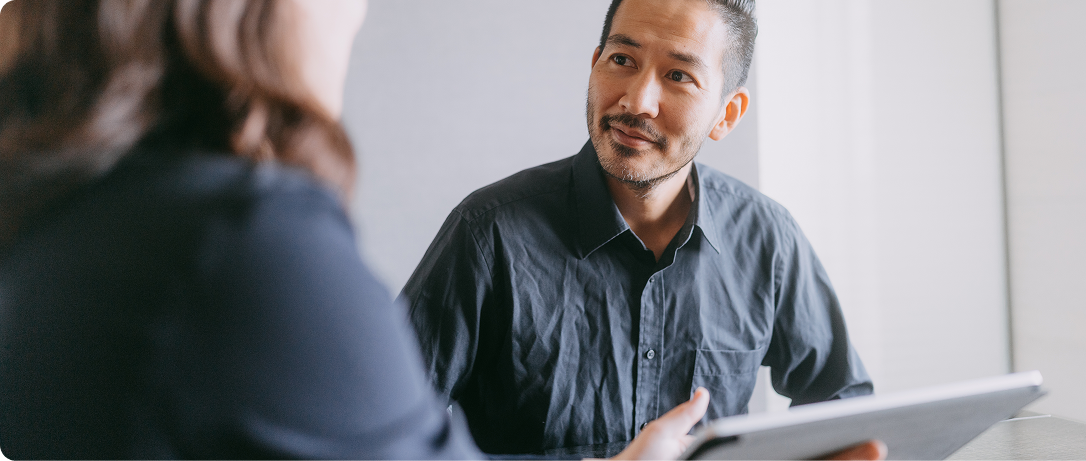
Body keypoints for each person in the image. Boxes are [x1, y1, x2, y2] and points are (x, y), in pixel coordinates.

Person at [0, 1, 768, 460]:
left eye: (680, 75)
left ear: (725, 112)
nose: (357, 14)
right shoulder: (244, 249)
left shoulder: (62, 206)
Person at [403, 0, 874, 455]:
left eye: (678, 76)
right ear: (595, 63)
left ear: (726, 115)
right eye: (623, 59)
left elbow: (844, 411)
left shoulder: (767, 237)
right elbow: (371, 433)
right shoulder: (488, 234)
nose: (636, 100)